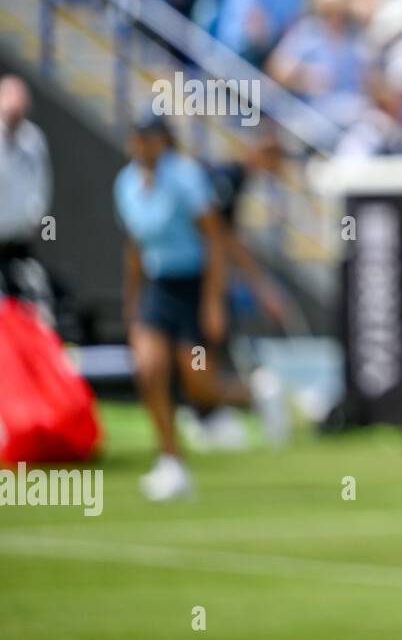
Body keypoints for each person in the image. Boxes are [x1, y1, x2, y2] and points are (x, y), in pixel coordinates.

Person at [113, 116, 283, 501]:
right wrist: (132, 301)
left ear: (162, 142)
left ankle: (254, 395)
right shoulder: (124, 184)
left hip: (195, 287)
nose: (141, 145)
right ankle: (171, 461)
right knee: (149, 369)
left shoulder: (186, 177)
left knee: (199, 385)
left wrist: (213, 303)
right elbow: (135, 248)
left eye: (148, 138)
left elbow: (216, 240)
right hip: (157, 288)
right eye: (136, 137)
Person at [0, 75, 54, 324]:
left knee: (34, 313)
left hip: (20, 244)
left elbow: (41, 186)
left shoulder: (34, 140)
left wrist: (35, 219)